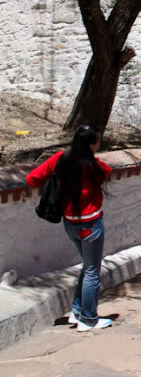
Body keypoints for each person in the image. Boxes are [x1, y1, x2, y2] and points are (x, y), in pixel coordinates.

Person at [26, 124, 113, 332]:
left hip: (70, 223)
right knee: (92, 271)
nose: (99, 145)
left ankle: (77, 312)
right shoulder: (93, 166)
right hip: (91, 223)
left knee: (87, 266)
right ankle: (88, 319)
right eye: (97, 141)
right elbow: (107, 172)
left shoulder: (59, 159)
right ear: (91, 144)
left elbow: (32, 178)